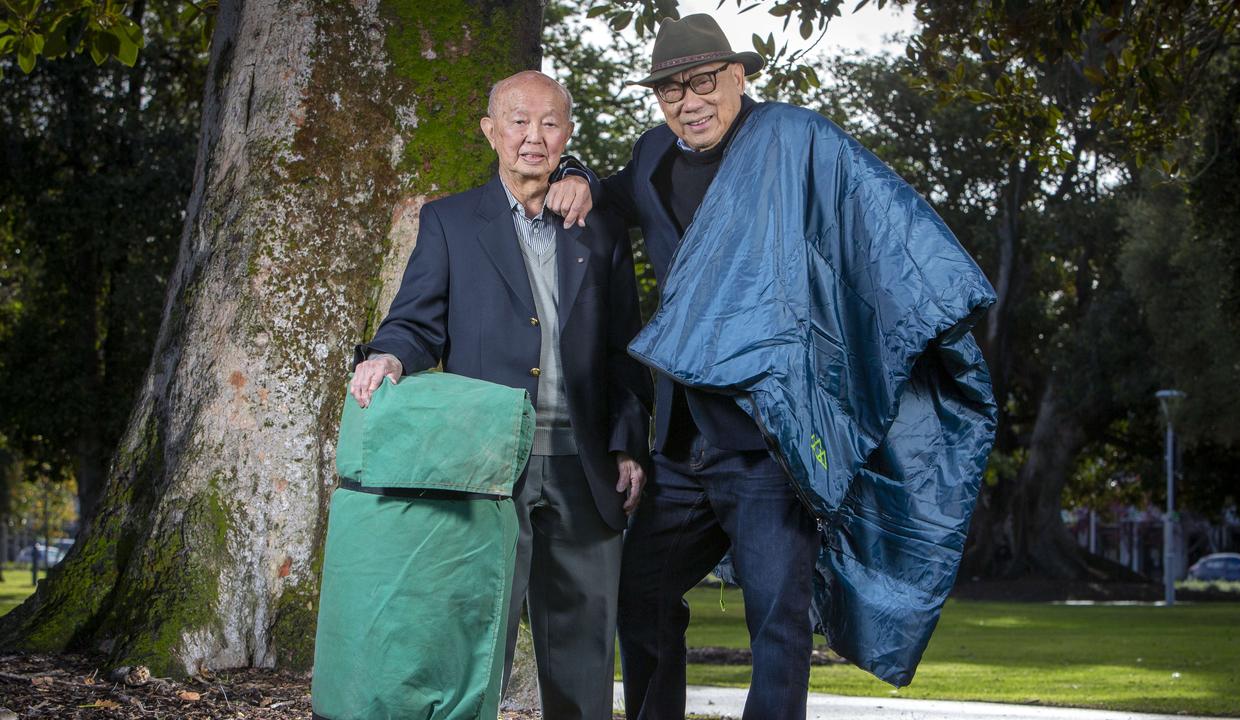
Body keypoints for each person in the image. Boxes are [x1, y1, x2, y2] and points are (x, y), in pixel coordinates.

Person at [547, 13, 998, 720]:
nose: (689, 102)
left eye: (702, 82)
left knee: (778, 624)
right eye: (671, 90)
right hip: (681, 447)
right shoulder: (653, 157)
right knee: (639, 593)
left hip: (769, 444)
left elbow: (876, 221)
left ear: (739, 76)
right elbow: (606, 192)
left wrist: (938, 300)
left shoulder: (791, 138)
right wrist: (572, 171)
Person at [350, 70, 653, 720]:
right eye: (519, 121)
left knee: (584, 658)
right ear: (491, 131)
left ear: (567, 134)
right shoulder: (451, 222)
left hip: (585, 468)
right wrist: (388, 355)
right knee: (469, 649)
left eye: (549, 123)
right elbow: (415, 320)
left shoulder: (599, 230)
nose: (533, 138)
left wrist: (630, 445)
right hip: (483, 468)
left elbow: (625, 349)